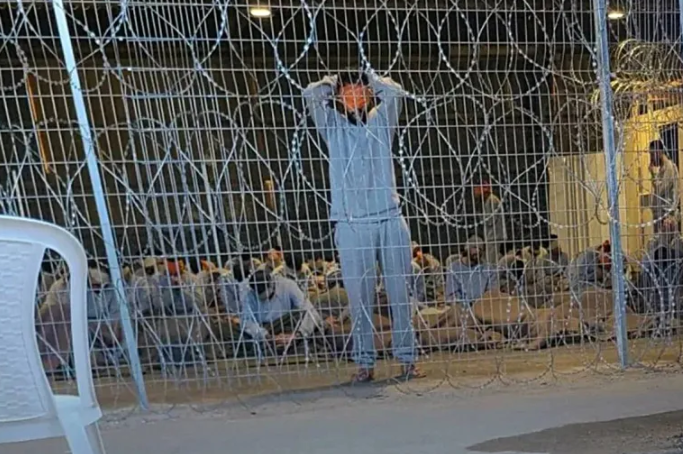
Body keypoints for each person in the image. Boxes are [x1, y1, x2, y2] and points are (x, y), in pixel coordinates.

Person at [303, 68, 423, 381]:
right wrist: (333, 84)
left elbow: (395, 92)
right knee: (359, 299)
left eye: (359, 89)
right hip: (351, 223)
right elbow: (310, 94)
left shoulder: (382, 122)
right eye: (348, 90)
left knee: (400, 294)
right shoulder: (333, 127)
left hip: (389, 217)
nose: (354, 94)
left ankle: (407, 359)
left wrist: (371, 79)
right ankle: (365, 363)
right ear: (339, 97)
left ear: (369, 94)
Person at [240, 268, 323, 352]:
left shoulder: (288, 285)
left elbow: (311, 312)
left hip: (288, 325)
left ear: (272, 284)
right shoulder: (249, 294)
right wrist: (268, 337)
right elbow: (246, 321)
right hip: (265, 329)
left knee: (304, 315)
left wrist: (296, 335)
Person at [445, 237, 498, 306]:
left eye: (480, 249)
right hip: (460, 308)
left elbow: (492, 293)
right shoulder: (454, 268)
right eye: (474, 247)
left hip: (482, 307)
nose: (478, 251)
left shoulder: (488, 269)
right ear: (466, 248)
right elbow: (451, 295)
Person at [648, 139, 679, 232]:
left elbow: (660, 190)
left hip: (667, 218)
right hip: (661, 216)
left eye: (652, 154)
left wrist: (652, 174)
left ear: (659, 152)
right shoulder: (662, 169)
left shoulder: (669, 167)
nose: (651, 158)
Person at [473, 180, 507, 264]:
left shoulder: (492, 200)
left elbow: (490, 221)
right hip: (491, 236)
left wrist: (480, 214)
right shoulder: (488, 200)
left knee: (491, 261)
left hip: (494, 236)